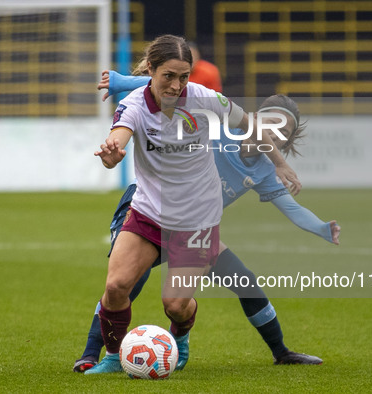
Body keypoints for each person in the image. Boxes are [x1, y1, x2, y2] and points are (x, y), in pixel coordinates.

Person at [75, 71, 338, 373]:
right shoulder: (219, 129)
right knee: (126, 282)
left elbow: (291, 208)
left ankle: (281, 352)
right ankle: (92, 355)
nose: (273, 131)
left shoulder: (265, 171)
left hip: (193, 222)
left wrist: (322, 227)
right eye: (269, 121)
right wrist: (122, 82)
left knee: (243, 282)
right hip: (148, 205)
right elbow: (172, 90)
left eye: (283, 130)